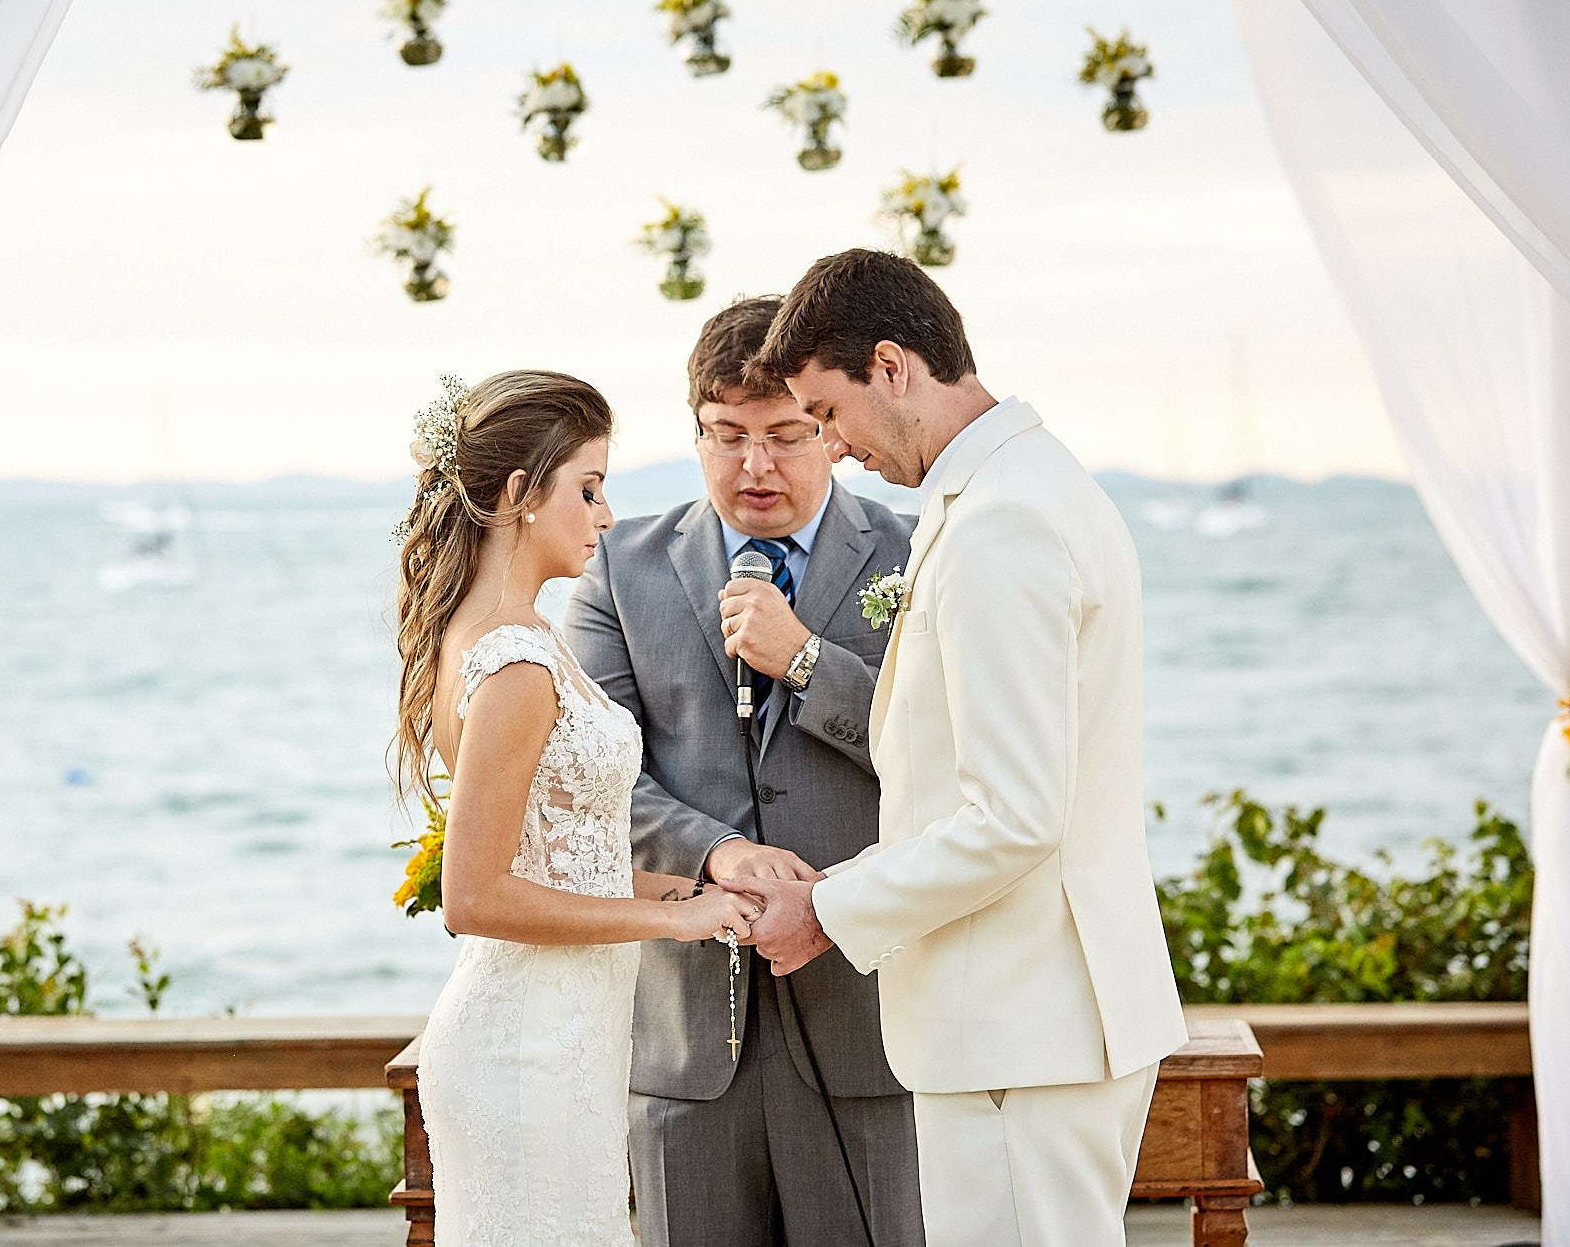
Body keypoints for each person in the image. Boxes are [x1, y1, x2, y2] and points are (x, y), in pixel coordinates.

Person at [731, 249, 1189, 1247]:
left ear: (891, 367)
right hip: (1032, 1024)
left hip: (1019, 1036)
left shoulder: (1004, 521)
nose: (833, 446)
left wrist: (827, 907)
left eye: (825, 411)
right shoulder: (1019, 488)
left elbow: (1015, 816)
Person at [565, 297, 926, 1247]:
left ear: (830, 430)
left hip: (869, 1022)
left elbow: (943, 752)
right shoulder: (619, 567)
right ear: (695, 434)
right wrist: (718, 852)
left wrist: (808, 659)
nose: (754, 466)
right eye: (727, 437)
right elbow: (594, 777)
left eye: (783, 436)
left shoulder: (916, 555)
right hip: (687, 1037)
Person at [391, 369, 760, 1247]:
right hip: (525, 1049)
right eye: (588, 488)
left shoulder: (515, 637)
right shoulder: (514, 663)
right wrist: (670, 924)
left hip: (568, 1036)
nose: (604, 515)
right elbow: (474, 897)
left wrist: (691, 894)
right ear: (521, 495)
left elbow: (556, 855)